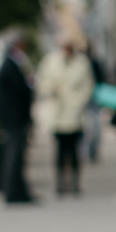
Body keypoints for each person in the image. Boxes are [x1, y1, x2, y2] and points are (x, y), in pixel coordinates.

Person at [36, 37, 94, 196]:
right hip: (58, 111)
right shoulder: (50, 61)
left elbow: (88, 85)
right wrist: (50, 90)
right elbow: (42, 82)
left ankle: (75, 183)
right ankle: (60, 183)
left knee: (74, 150)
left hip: (75, 112)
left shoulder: (82, 63)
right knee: (60, 150)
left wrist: (78, 101)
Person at [0, 32, 35, 204]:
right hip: (14, 117)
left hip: (15, 116)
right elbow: (19, 91)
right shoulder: (10, 65)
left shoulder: (11, 64)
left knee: (17, 153)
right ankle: (13, 191)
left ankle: (18, 190)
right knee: (14, 152)